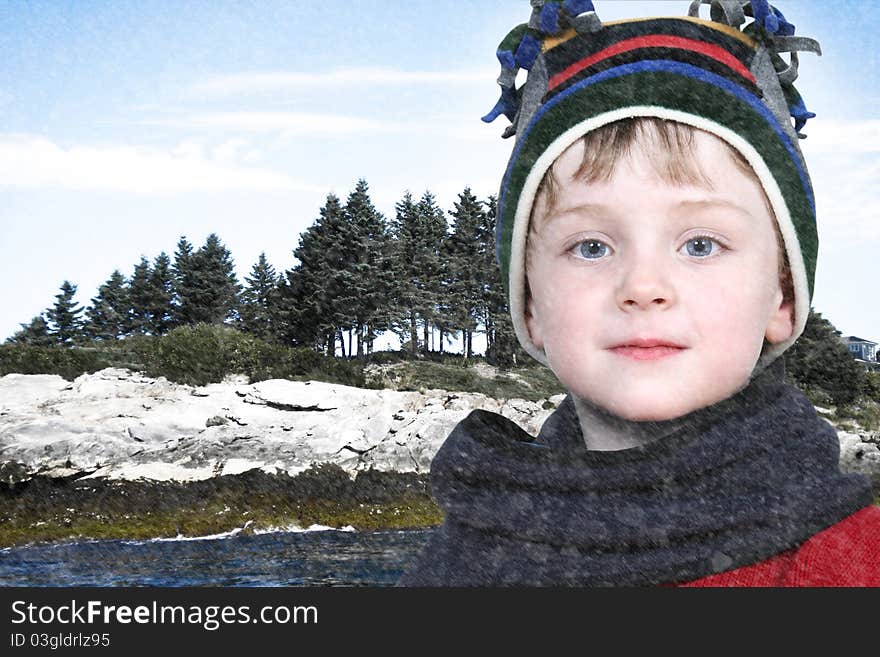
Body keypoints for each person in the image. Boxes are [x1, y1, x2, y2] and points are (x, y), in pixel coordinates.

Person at [398, 0, 880, 586]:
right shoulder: (456, 565)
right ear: (530, 305)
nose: (643, 288)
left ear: (782, 297)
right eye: (592, 247)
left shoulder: (855, 567)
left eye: (700, 245)